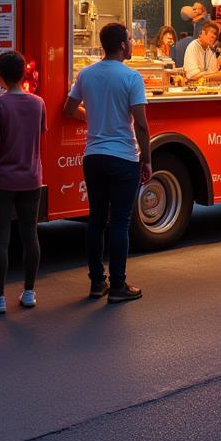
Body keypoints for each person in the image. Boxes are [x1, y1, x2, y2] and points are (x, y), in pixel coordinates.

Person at [64, 22, 151, 302]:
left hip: (93, 156)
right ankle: (118, 286)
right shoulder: (131, 77)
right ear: (123, 45)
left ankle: (96, 283)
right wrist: (147, 160)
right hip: (123, 156)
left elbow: (68, 109)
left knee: (96, 220)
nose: (131, 43)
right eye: (129, 39)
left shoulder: (86, 74)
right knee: (120, 222)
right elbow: (141, 125)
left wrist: (93, 117)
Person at [0, 51, 46, 313]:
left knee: (1, 239)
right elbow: (39, 137)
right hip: (31, 177)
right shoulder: (38, 103)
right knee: (30, 234)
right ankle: (29, 292)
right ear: (23, 74)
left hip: (2, 180)